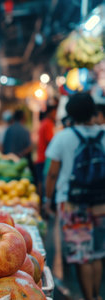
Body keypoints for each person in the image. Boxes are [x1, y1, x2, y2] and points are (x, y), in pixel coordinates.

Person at [45, 92, 105, 300]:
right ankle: (97, 295)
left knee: (82, 256)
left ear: (70, 113)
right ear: (93, 111)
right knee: (97, 253)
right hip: (101, 203)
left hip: (72, 204)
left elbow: (52, 173)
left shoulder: (63, 137)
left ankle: (89, 297)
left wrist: (47, 199)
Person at [35, 105, 57, 194]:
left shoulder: (43, 122)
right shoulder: (48, 123)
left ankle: (40, 204)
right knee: (44, 181)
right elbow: (50, 141)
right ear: (50, 112)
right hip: (44, 158)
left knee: (40, 181)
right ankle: (43, 204)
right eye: (55, 112)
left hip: (40, 156)